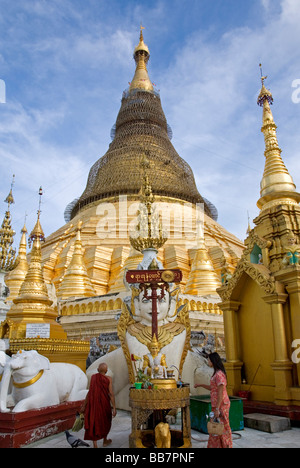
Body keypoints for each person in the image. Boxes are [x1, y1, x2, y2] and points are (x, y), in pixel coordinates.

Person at [194, 352, 232, 448]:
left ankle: (226, 445)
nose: (208, 361)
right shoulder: (216, 373)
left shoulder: (219, 374)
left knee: (223, 427)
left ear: (213, 361)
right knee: (215, 427)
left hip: (221, 405)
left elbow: (220, 393)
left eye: (209, 360)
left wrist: (218, 408)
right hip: (216, 405)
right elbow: (213, 388)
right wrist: (200, 385)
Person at [82, 362, 117, 448]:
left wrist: (84, 405)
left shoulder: (93, 377)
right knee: (105, 421)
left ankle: (95, 444)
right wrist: (114, 407)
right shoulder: (108, 379)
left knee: (94, 422)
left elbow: (90, 392)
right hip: (105, 404)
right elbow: (111, 393)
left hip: (94, 405)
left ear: (98, 370)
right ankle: (105, 440)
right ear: (106, 371)